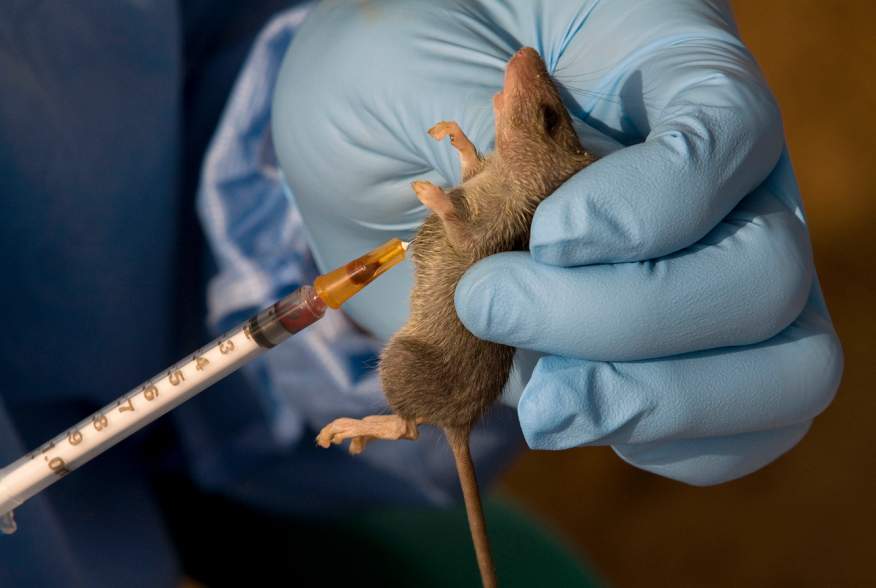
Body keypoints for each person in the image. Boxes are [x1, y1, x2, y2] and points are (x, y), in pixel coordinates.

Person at [0, 0, 841, 585]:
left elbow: (121, 231)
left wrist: (294, 176)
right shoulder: (517, 177)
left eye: (541, 112)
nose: (522, 78)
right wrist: (444, 193)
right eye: (546, 114)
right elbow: (464, 211)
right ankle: (392, 418)